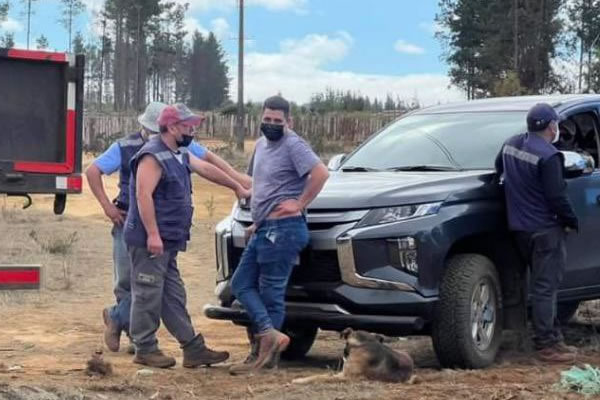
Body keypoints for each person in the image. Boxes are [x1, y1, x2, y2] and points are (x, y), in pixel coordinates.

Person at [87, 102, 250, 354]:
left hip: (165, 234)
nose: (192, 132)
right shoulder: (147, 152)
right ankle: (141, 343)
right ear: (169, 128)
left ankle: (189, 346)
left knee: (166, 292)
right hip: (142, 228)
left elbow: (206, 163)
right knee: (140, 286)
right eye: (187, 127)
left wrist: (237, 183)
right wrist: (111, 209)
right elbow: (140, 194)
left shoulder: (177, 149)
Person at [228, 95, 330, 374]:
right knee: (240, 285)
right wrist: (257, 222)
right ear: (260, 117)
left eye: (278, 121)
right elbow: (261, 185)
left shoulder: (294, 144)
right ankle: (268, 336)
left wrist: (300, 202)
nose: (271, 124)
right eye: (267, 119)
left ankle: (266, 357)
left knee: (271, 293)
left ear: (288, 121)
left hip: (284, 230)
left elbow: (321, 173)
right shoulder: (261, 145)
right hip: (265, 228)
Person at [495, 103, 579, 363]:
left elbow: (499, 168)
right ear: (552, 126)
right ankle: (547, 345)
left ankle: (552, 335)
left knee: (536, 285)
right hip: (545, 229)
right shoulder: (550, 155)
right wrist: (571, 220)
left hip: (519, 229)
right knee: (545, 287)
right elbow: (556, 196)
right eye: (557, 125)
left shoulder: (510, 144)